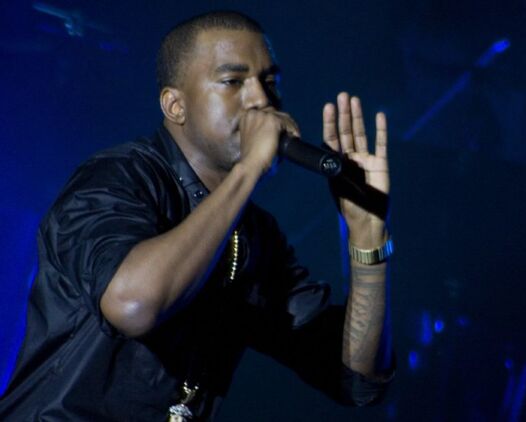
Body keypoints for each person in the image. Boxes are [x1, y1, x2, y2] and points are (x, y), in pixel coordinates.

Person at [0, 11, 394, 421]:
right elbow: (133, 305)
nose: (261, 100)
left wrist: (367, 236)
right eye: (233, 81)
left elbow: (357, 379)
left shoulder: (255, 236)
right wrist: (249, 170)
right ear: (175, 105)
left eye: (270, 82)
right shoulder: (115, 179)